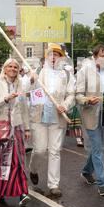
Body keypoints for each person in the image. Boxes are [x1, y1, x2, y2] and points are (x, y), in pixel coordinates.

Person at [29, 44, 75, 197]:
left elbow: (71, 94)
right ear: (47, 57)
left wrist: (65, 105)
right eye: (51, 54)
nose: (54, 57)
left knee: (55, 151)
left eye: (57, 54)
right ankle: (33, 169)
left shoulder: (66, 75)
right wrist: (31, 80)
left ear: (61, 57)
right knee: (40, 150)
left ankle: (53, 185)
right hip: (40, 116)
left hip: (57, 116)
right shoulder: (38, 72)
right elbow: (28, 90)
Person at [0, 58, 32, 207]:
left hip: (16, 128)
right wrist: (6, 99)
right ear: (5, 69)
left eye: (15, 67)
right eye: (10, 66)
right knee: (1, 162)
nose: (13, 69)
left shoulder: (20, 86)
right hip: (1, 127)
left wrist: (27, 128)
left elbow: (24, 108)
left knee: (18, 161)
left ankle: (22, 193)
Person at [76, 44, 104, 197]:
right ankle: (103, 183)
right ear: (95, 56)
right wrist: (87, 100)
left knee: (98, 147)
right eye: (102, 55)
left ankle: (86, 171)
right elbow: (77, 94)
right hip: (90, 115)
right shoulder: (84, 71)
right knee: (97, 147)